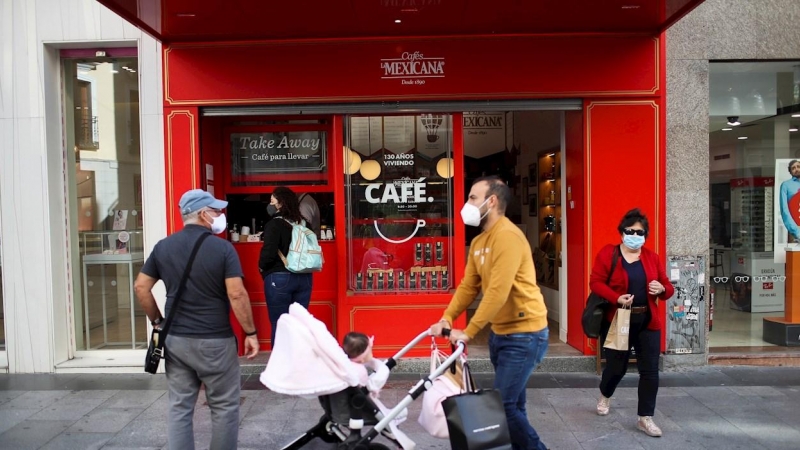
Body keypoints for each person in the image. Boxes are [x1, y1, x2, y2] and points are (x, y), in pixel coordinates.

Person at [429, 175, 549, 450]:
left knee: (503, 407)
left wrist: (468, 332)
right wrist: (447, 316)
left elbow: (498, 291)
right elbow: (469, 286)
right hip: (501, 334)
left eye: (472, 197)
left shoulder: (507, 237)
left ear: (491, 201)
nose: (467, 204)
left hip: (525, 334)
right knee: (515, 406)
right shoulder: (482, 241)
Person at [134, 188, 259, 450]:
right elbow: (236, 294)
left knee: (179, 406)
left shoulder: (163, 246)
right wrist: (250, 332)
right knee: (224, 407)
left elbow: (141, 287)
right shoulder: (223, 249)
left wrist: (158, 322)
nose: (220, 215)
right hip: (214, 340)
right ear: (203, 214)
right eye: (216, 211)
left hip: (176, 339)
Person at [590, 208, 674, 438]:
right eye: (631, 231)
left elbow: (668, 287)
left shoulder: (651, 257)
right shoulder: (609, 253)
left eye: (640, 232)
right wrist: (615, 298)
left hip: (647, 319)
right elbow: (595, 282)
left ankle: (645, 418)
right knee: (617, 367)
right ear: (621, 232)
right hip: (619, 320)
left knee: (650, 372)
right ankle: (605, 395)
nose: (635, 236)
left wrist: (662, 288)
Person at [260, 186, 313, 347]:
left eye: (272, 200)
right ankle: (299, 364)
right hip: (305, 278)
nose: (270, 203)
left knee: (280, 323)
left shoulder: (274, 225)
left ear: (280, 203)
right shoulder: (305, 224)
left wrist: (262, 268)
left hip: (279, 277)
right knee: (299, 324)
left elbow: (268, 254)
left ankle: (280, 366)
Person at [779, 159, 800, 243]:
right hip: (795, 229)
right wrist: (797, 232)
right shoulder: (786, 185)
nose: (796, 169)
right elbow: (785, 210)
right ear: (790, 172)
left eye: (798, 166)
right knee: (796, 256)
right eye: (793, 168)